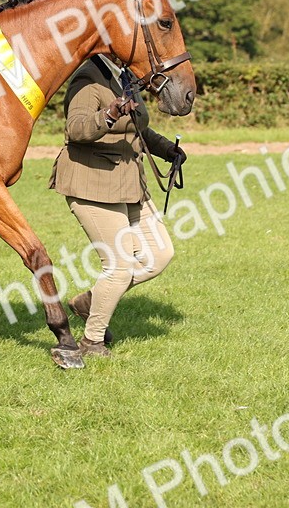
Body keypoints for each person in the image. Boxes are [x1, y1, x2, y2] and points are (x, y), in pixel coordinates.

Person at [49, 54, 186, 357]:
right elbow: (76, 129)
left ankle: (90, 301)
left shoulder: (126, 76)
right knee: (119, 267)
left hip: (128, 183)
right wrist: (109, 114)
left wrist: (167, 149)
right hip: (92, 184)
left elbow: (137, 128)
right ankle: (91, 342)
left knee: (159, 255)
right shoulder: (88, 79)